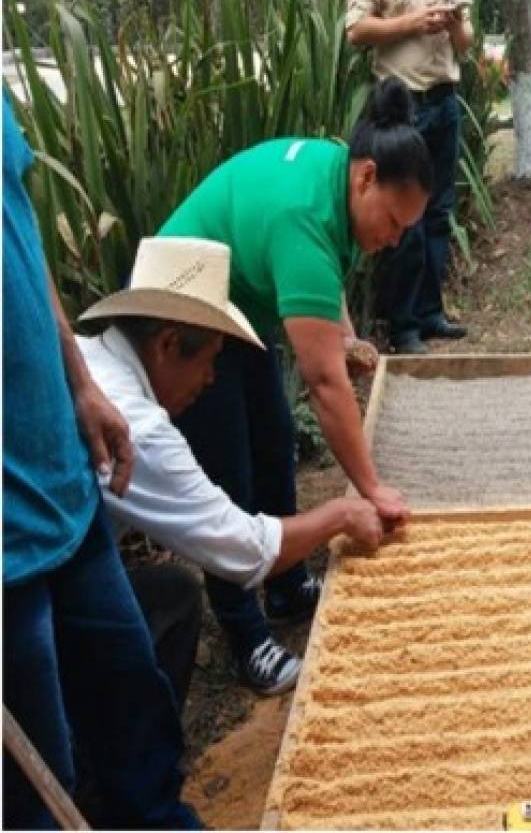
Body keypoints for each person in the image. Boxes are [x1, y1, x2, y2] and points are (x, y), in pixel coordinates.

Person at [156, 78, 428, 694]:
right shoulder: (305, 213)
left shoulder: (339, 177)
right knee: (231, 469)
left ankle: (282, 585)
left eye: (407, 228)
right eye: (392, 220)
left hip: (237, 298)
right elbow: (325, 383)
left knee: (275, 438)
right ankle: (246, 633)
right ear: (366, 178)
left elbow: (323, 272)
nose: (394, 238)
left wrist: (346, 331)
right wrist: (372, 488)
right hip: (185, 308)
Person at [2, 92, 200, 829]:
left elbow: (19, 233)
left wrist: (78, 382)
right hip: (4, 544)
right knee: (36, 777)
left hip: (56, 465)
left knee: (129, 687)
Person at [75, 237, 388, 694]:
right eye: (207, 360)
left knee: (168, 591)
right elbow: (242, 549)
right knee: (166, 599)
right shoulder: (135, 427)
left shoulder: (91, 357)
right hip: (24, 587)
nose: (210, 378)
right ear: (167, 344)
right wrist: (341, 515)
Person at [345, 0, 473, 355]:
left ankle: (430, 314)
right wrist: (413, 22)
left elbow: (465, 43)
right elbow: (357, 30)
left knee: (437, 213)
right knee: (404, 219)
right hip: (404, 105)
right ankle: (403, 328)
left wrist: (452, 25)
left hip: (445, 99)